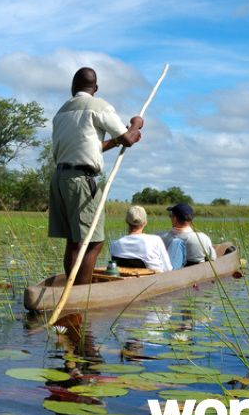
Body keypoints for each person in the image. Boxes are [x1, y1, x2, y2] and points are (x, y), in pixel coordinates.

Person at [48, 67, 144, 285]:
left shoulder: (62, 111)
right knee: (93, 242)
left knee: (74, 241)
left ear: (73, 88)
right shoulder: (98, 106)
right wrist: (136, 124)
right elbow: (128, 139)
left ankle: (72, 290)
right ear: (96, 88)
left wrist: (121, 138)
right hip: (82, 180)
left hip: (60, 179)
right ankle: (81, 293)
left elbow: (92, 146)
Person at [109, 205, 173, 272]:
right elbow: (168, 268)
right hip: (153, 280)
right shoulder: (155, 240)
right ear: (145, 222)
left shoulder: (115, 244)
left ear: (127, 221)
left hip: (126, 280)